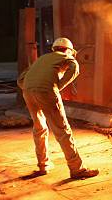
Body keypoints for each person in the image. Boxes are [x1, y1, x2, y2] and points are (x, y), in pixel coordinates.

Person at [18, 37, 99, 179]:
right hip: (46, 92)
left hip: (28, 92)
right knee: (62, 130)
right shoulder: (66, 57)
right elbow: (75, 69)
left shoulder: (43, 58)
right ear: (68, 50)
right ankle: (77, 169)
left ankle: (43, 166)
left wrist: (30, 89)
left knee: (39, 128)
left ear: (54, 48)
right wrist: (58, 86)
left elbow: (21, 78)